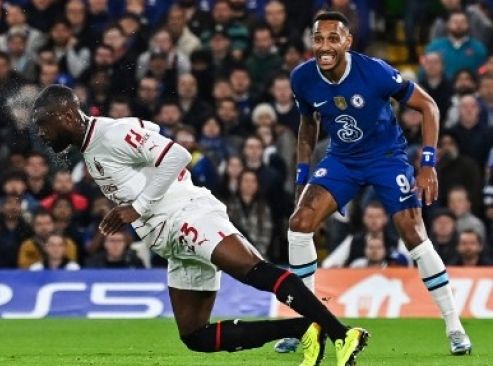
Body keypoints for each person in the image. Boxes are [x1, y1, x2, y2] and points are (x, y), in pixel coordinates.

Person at [32, 84, 369, 366]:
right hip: (172, 242)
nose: (44, 136)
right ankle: (303, 329)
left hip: (188, 215)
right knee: (196, 336)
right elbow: (148, 138)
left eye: (45, 126)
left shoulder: (111, 133)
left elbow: (177, 155)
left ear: (65, 115)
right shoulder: (93, 147)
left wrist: (137, 207)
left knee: (255, 271)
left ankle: (343, 334)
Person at [288, 11, 470, 355]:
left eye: (332, 38)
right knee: (299, 224)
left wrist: (427, 162)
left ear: (347, 41)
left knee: (414, 234)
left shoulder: (374, 72)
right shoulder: (303, 78)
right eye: (318, 39)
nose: (324, 47)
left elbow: (428, 106)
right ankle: (307, 324)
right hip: (342, 160)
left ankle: (454, 326)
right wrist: (301, 175)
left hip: (385, 158)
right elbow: (307, 125)